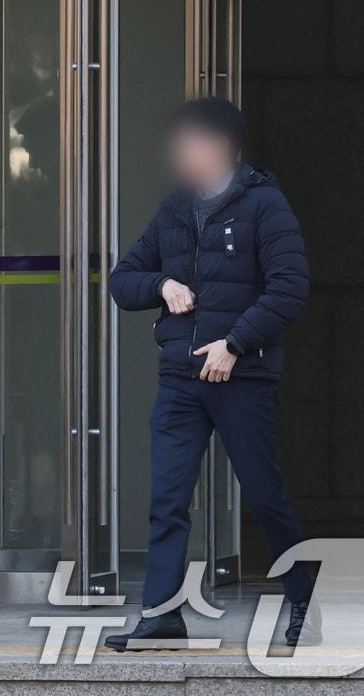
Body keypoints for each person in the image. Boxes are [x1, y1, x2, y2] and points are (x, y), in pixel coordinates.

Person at [105, 97, 317, 652]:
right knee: (168, 498)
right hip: (181, 378)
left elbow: (290, 287)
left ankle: (304, 603)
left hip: (242, 379)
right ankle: (161, 617)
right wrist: (160, 285)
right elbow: (122, 278)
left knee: (265, 493)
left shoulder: (264, 205)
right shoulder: (175, 208)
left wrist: (237, 344)